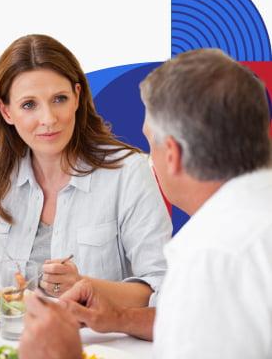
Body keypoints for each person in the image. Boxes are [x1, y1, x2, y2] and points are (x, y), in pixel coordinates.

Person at [19, 48, 272, 359]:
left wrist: (63, 355)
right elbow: (205, 322)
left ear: (172, 155)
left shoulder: (211, 257)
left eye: (150, 142)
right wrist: (120, 318)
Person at [0, 34, 172, 304]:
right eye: (29, 105)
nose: (48, 119)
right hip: (0, 346)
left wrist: (87, 288)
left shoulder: (127, 172)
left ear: (77, 97)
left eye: (59, 99)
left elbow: (163, 287)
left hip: (91, 346)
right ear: (6, 112)